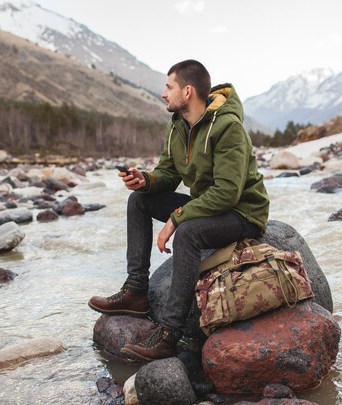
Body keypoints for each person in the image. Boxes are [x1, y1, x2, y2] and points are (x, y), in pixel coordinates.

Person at [88, 59, 269, 362]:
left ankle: (169, 334)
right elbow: (168, 173)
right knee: (139, 200)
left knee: (187, 233)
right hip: (212, 207)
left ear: (187, 92)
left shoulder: (228, 127)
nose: (163, 93)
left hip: (243, 214)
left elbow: (227, 193)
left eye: (168, 87)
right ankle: (136, 291)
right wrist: (145, 180)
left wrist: (176, 218)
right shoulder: (178, 126)